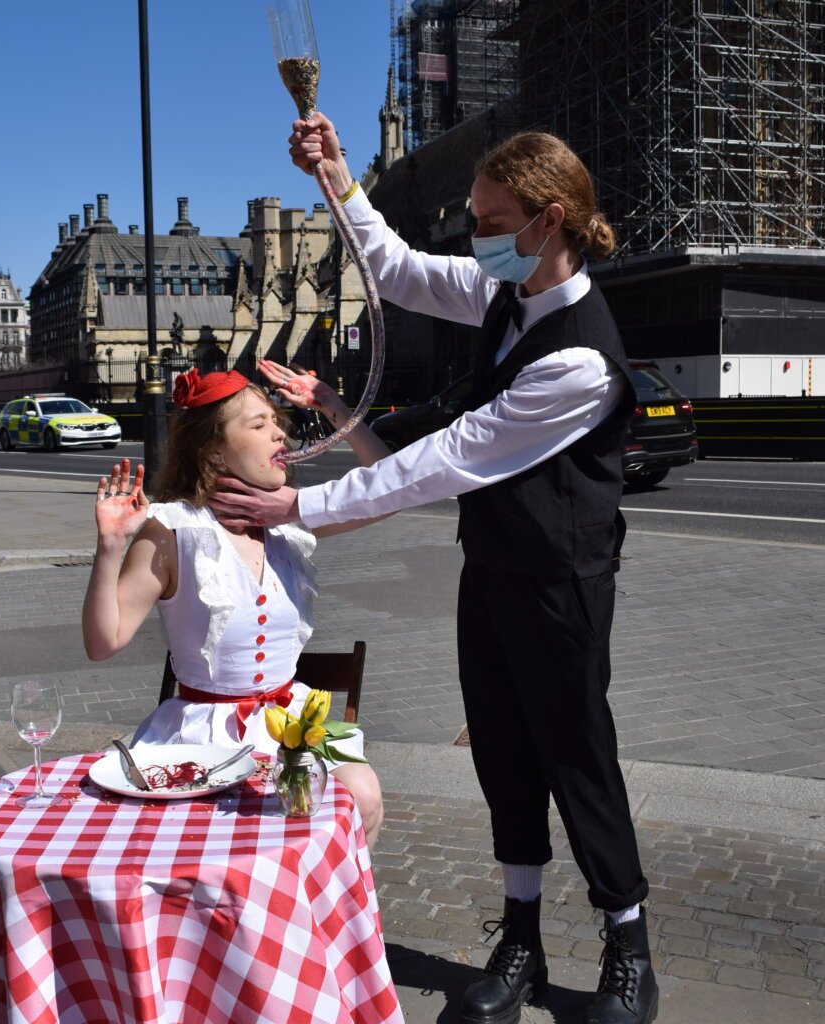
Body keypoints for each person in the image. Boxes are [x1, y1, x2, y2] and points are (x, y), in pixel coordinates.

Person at [209, 115, 657, 1024]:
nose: (477, 236)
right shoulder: (508, 292)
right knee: (501, 747)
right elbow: (400, 268)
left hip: (561, 579)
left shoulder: (577, 354)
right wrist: (335, 174)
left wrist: (302, 506)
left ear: (551, 219)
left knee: (576, 754)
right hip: (491, 568)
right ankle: (521, 934)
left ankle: (627, 943)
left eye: (492, 220)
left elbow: (443, 458)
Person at [81, 362, 390, 843]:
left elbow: (390, 489)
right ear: (213, 450)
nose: (280, 435)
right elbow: (104, 643)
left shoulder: (289, 515)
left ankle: (323, 913)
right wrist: (110, 547)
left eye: (278, 422)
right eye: (259, 425)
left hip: (289, 723)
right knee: (222, 836)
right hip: (204, 734)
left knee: (363, 796)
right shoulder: (174, 530)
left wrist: (332, 404)